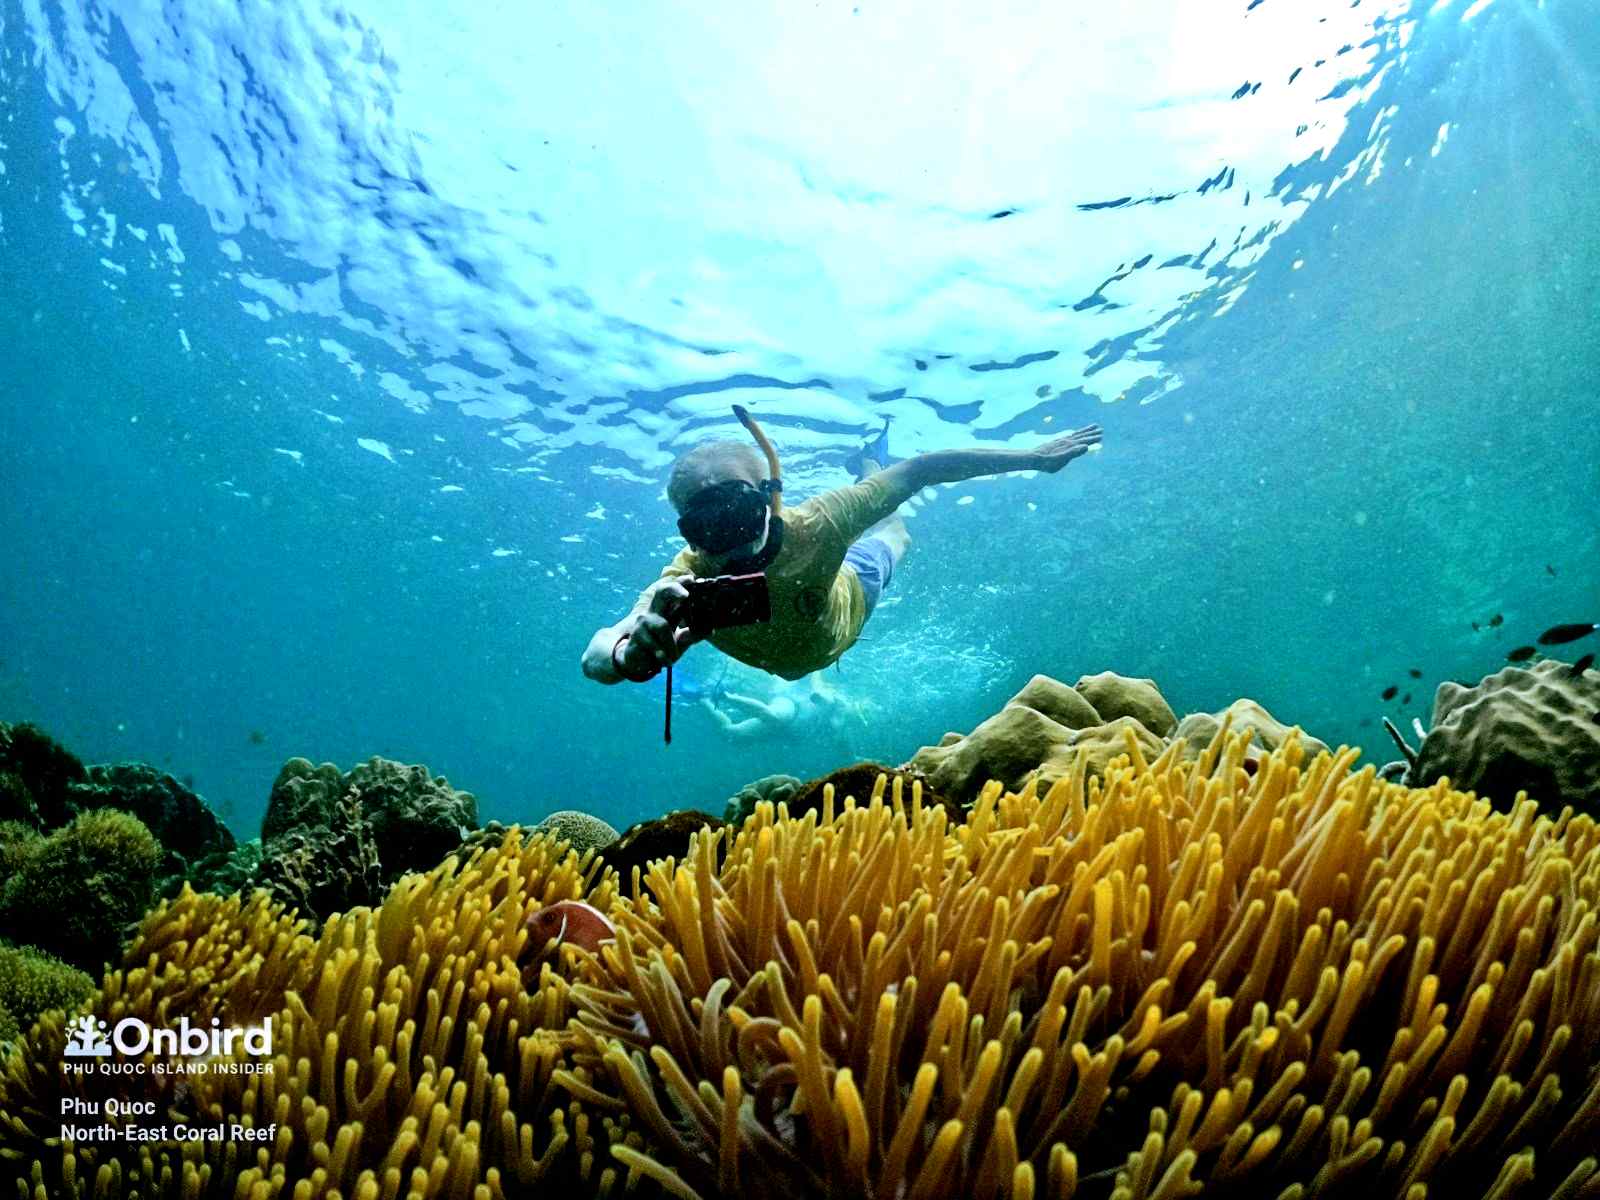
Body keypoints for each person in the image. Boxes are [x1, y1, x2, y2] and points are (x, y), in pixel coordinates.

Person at [581, 409, 1102, 686]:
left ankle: (868, 463)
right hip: (806, 643)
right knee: (892, 533)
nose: (730, 543)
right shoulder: (685, 580)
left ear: (771, 499)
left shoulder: (821, 522)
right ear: (687, 532)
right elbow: (599, 652)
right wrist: (631, 658)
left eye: (737, 515)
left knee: (897, 535)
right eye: (705, 528)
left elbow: (921, 469)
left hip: (852, 599)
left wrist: (1033, 458)